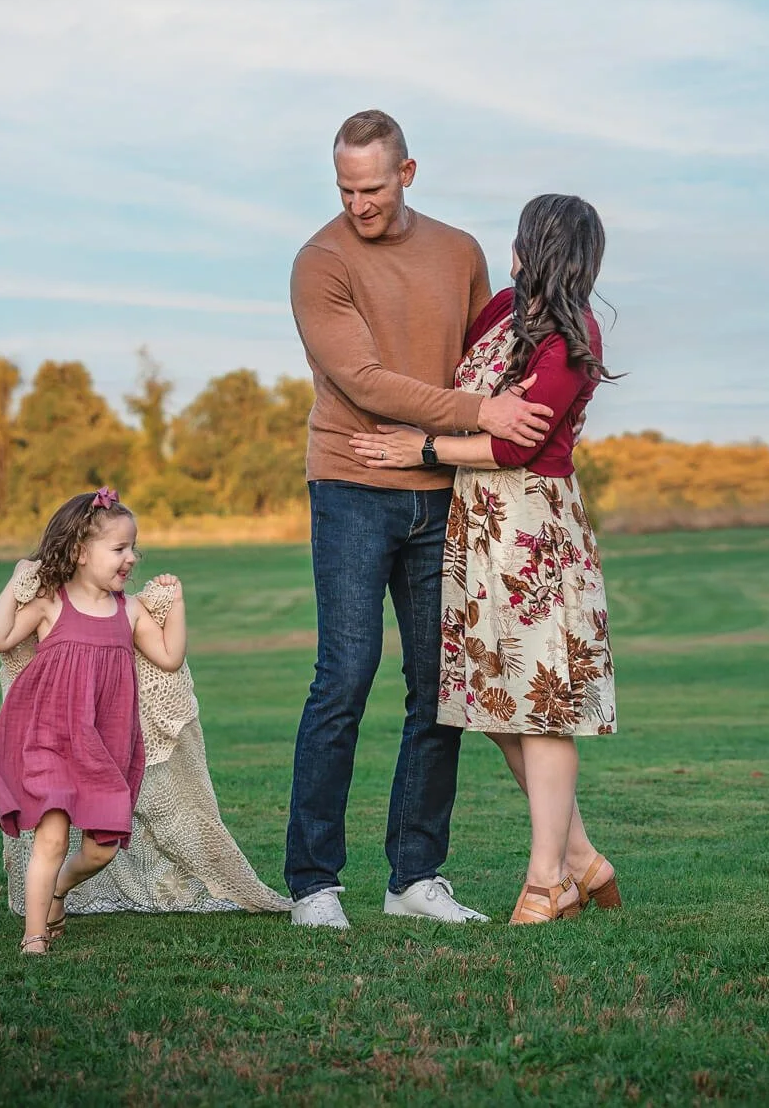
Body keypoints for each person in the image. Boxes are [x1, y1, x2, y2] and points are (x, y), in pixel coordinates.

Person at [284, 109, 555, 929]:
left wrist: (479, 427)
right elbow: (364, 380)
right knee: (346, 675)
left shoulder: (459, 251)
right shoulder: (319, 262)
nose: (358, 203)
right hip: (352, 482)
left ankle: (414, 878)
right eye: (344, 188)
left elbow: (493, 351)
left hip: (441, 488)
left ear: (407, 173)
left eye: (371, 187)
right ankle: (314, 884)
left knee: (440, 689)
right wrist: (484, 413)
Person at [350, 192, 620, 924]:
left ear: (540, 247)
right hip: (479, 525)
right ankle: (583, 858)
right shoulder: (505, 308)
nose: (515, 249)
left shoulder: (571, 334)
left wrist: (423, 447)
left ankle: (548, 883)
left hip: (533, 529)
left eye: (524, 238)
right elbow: (464, 389)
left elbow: (515, 442)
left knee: (542, 710)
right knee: (496, 706)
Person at [0, 487, 188, 954]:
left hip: (104, 747)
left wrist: (175, 606)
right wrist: (17, 584)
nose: (131, 558)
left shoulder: (130, 610)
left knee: (102, 848)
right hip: (49, 740)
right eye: (119, 549)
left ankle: (58, 891)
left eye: (133, 547)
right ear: (79, 552)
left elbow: (170, 657)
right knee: (51, 837)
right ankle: (34, 936)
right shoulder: (50, 605)